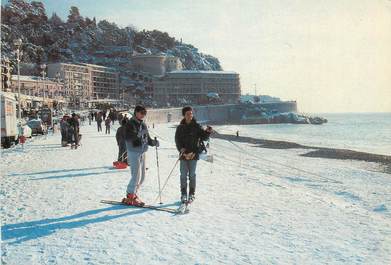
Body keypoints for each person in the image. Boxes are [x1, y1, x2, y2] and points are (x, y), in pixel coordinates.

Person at [122, 105, 159, 206]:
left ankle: (134, 194)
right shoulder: (130, 124)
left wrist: (153, 142)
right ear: (136, 112)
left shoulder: (143, 125)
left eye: (144, 113)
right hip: (133, 151)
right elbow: (128, 137)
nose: (143, 115)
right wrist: (138, 134)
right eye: (141, 113)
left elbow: (147, 139)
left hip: (142, 152)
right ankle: (130, 194)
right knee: (136, 175)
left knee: (142, 177)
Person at [175, 106, 212, 203]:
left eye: (191, 113)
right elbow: (177, 141)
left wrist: (207, 132)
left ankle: (191, 194)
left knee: (192, 175)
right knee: (183, 175)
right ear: (184, 115)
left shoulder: (197, 126)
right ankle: (183, 194)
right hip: (183, 155)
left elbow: (203, 137)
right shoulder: (180, 127)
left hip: (194, 154)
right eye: (188, 114)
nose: (190, 115)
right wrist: (181, 149)